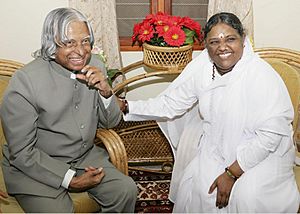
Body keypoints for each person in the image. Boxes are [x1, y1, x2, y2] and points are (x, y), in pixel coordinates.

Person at [121, 12, 300, 212]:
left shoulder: (261, 76)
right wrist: (128, 106)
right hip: (218, 147)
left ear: (243, 40)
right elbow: (171, 104)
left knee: (248, 196)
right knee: (198, 188)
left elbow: (270, 136)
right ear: (206, 46)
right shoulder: (204, 70)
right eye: (214, 42)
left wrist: (232, 173)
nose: (222, 47)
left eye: (230, 39)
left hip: (264, 153)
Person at [0, 7, 137, 213]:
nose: (80, 51)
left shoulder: (96, 65)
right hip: (36, 167)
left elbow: (110, 123)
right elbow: (21, 152)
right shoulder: (26, 81)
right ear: (50, 43)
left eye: (85, 41)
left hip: (85, 158)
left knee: (126, 190)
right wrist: (70, 180)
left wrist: (106, 93)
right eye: (69, 42)